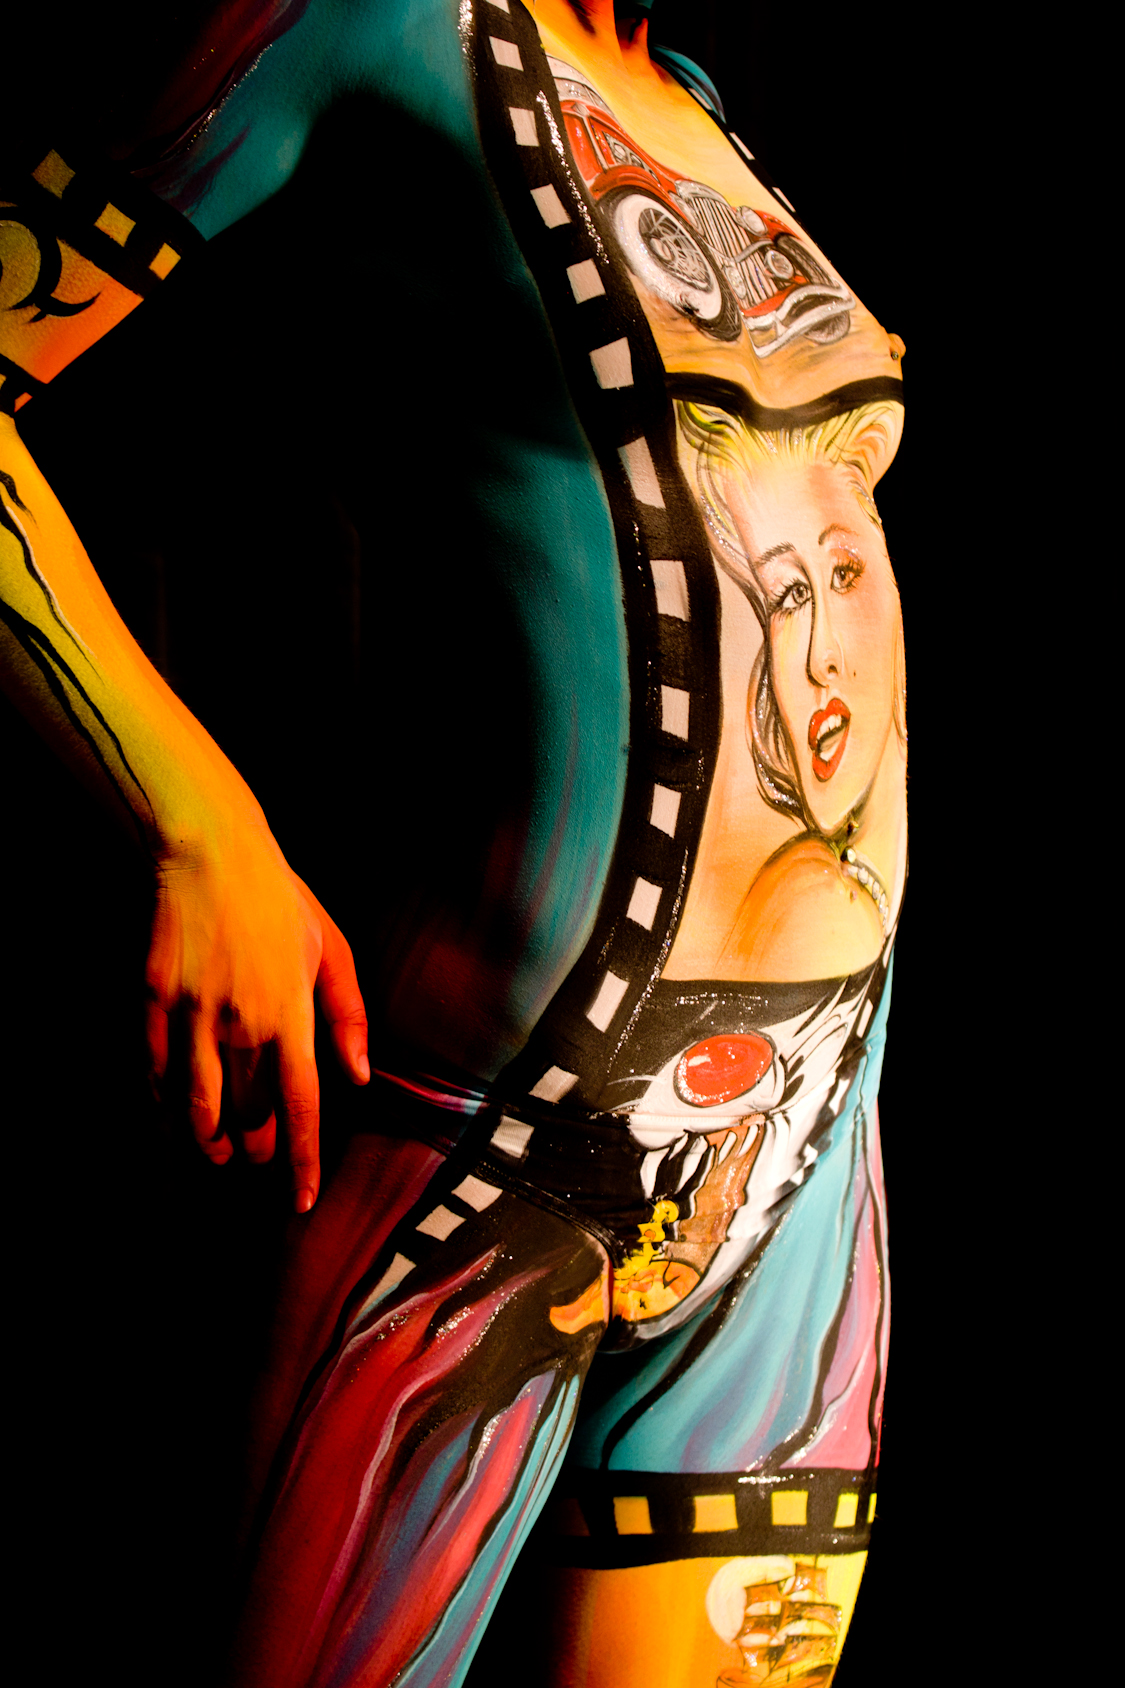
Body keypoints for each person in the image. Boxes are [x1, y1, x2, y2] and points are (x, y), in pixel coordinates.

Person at [0, 3, 905, 1683]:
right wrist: (196, 821)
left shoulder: (696, 110)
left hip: (804, 1143)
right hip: (482, 1139)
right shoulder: (354, 26)